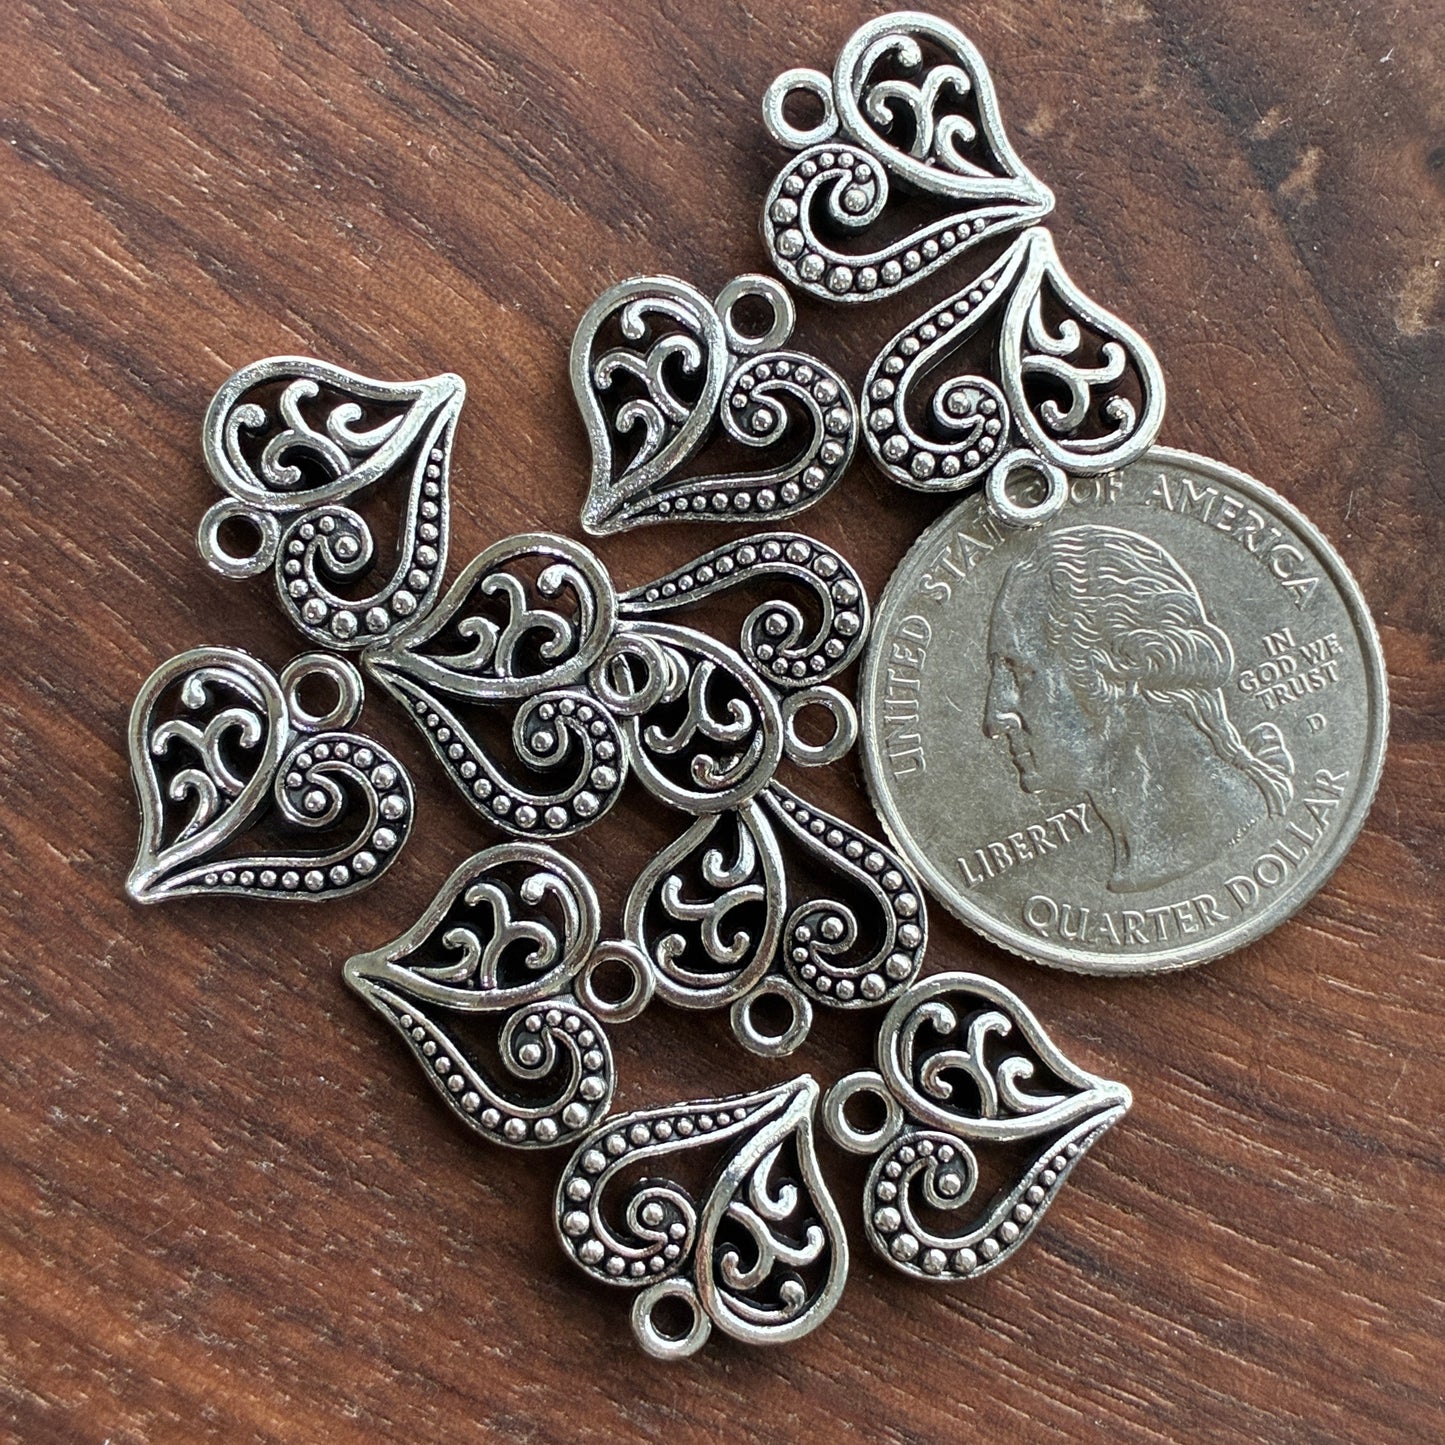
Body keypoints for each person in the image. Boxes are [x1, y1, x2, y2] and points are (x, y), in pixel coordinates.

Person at [984, 524, 1294, 893]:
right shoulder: (1149, 858)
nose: (996, 718)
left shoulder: (1228, 830)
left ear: (1117, 667)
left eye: (1020, 673)